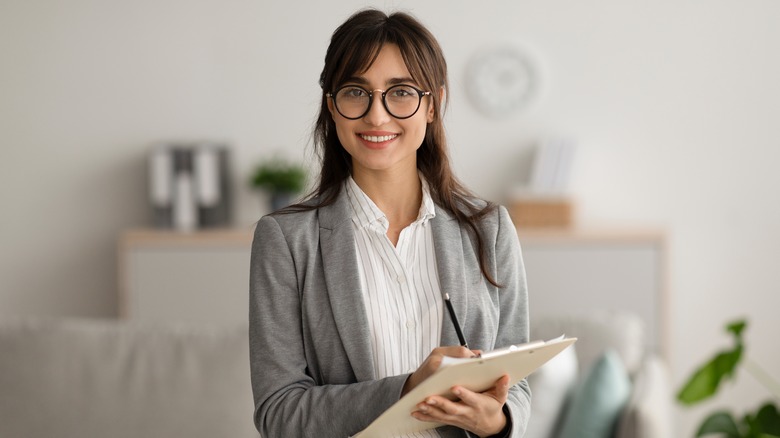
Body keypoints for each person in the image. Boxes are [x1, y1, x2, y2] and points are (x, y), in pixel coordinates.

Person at [249, 8, 530, 438]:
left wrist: (498, 421)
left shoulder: (488, 229)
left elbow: (517, 383)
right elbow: (279, 413)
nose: (376, 116)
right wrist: (408, 390)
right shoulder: (286, 240)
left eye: (400, 92)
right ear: (332, 106)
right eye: (356, 92)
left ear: (432, 105)